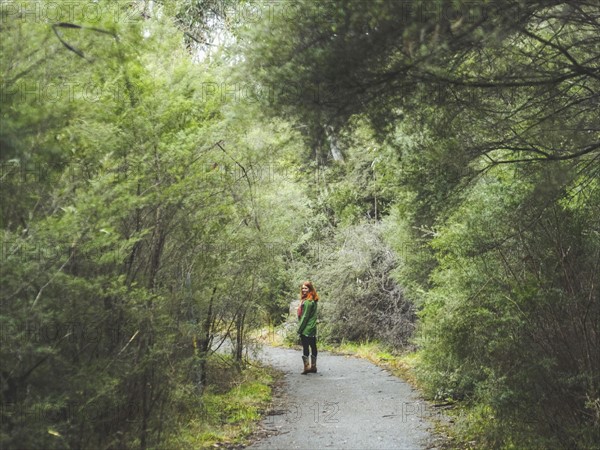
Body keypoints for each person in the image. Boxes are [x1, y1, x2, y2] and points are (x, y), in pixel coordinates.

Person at [297, 281, 319, 374]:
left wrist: (300, 329)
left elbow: (305, 316)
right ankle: (313, 367)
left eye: (305, 288)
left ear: (310, 289)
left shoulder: (308, 302)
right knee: (313, 346)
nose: (303, 290)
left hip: (306, 328)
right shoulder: (313, 300)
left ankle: (307, 367)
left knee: (306, 347)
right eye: (302, 288)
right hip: (312, 327)